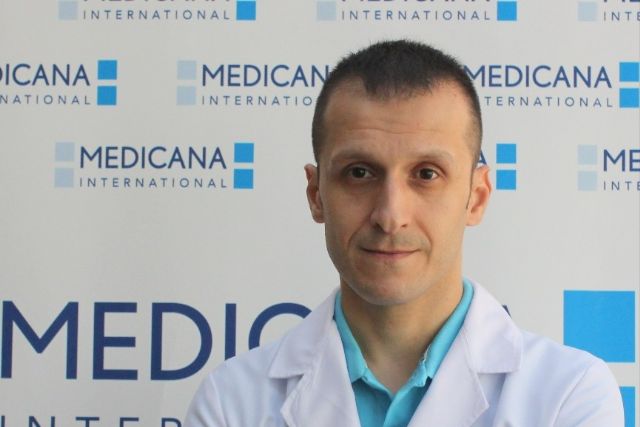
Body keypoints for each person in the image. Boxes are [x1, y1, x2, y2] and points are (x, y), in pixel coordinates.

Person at [184, 40, 624, 427]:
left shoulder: (568, 394)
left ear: (476, 198)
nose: (390, 216)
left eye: (426, 174)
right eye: (359, 172)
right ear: (316, 195)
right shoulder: (231, 401)